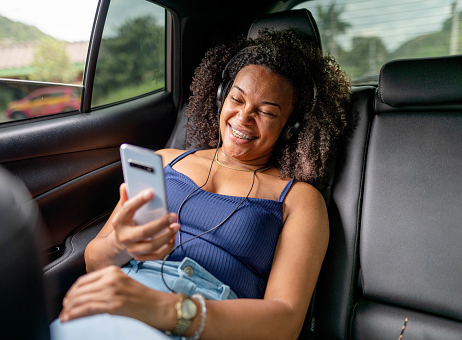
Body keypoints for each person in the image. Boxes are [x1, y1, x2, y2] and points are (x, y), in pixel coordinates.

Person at [51, 28, 351, 340]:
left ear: (290, 127)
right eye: (237, 99)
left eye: (265, 112)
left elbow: (286, 322)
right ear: (222, 97)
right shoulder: (165, 161)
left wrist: (164, 308)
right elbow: (93, 261)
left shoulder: (299, 199)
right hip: (119, 305)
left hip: (209, 324)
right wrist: (120, 246)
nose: (244, 117)